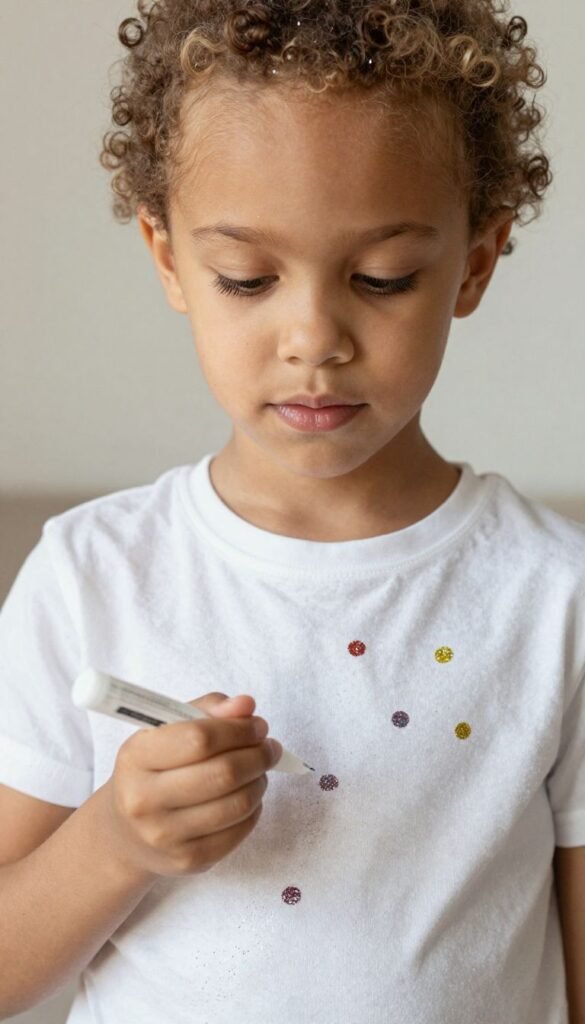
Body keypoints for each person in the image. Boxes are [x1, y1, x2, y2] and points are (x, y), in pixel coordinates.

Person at [0, 1, 583, 1021]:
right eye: (247, 278)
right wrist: (114, 842)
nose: (314, 336)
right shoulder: (91, 575)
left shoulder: (554, 597)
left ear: (475, 263)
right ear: (169, 259)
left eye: (382, 278)